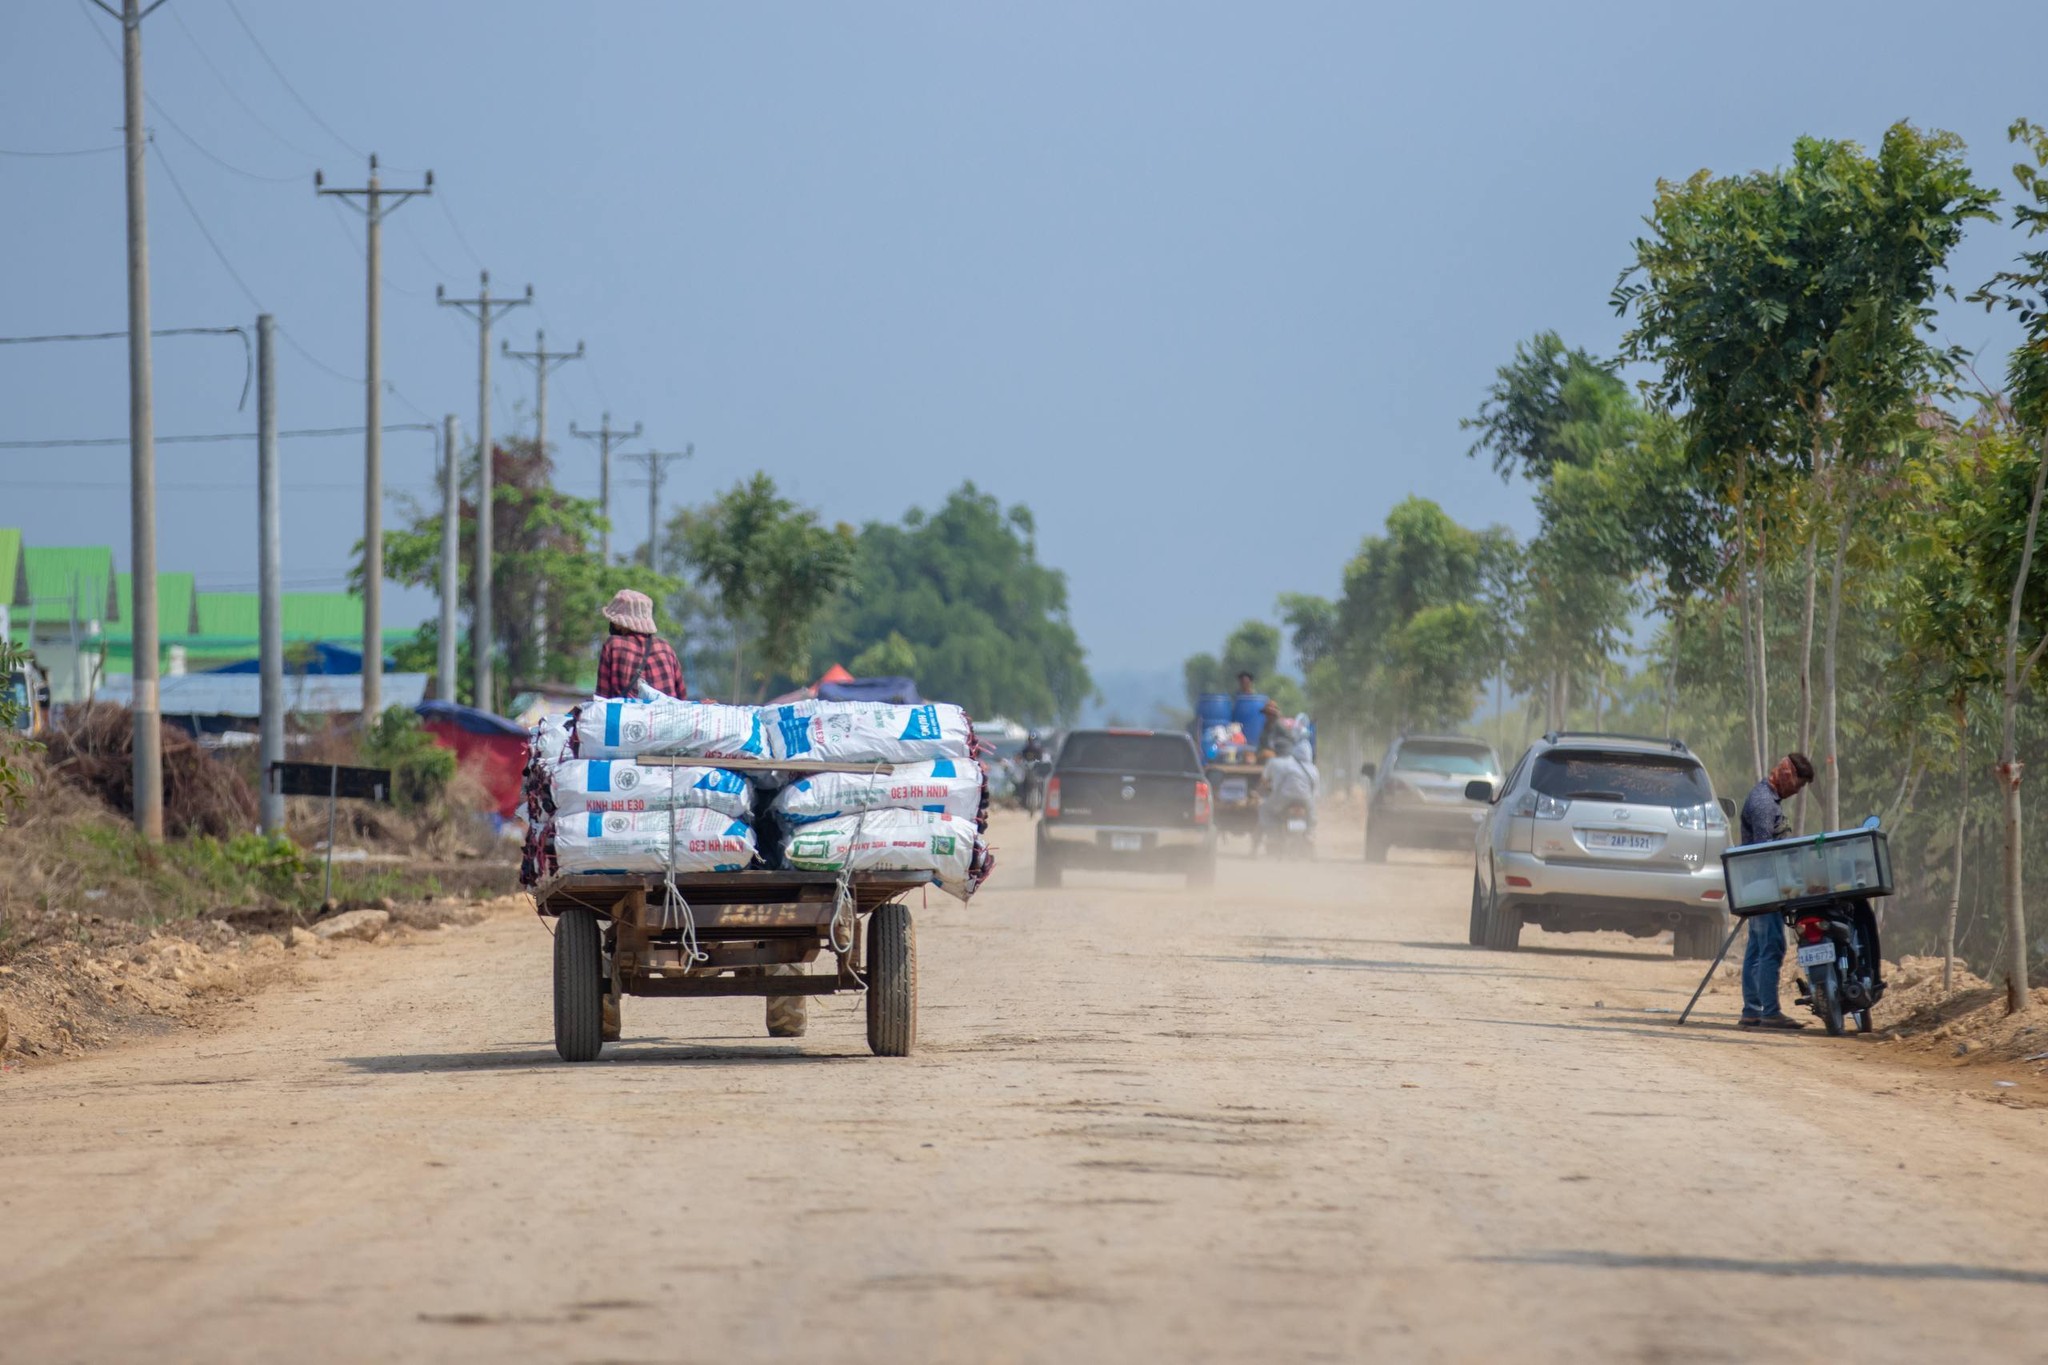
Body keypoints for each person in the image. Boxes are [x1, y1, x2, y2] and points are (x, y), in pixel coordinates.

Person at [1738, 752, 1817, 1030]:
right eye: (1798, 784)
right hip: (1763, 886)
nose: (1797, 791)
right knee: (1771, 946)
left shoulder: (1769, 800)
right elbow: (1764, 853)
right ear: (1786, 773)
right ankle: (1769, 1012)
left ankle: (1752, 1010)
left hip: (1759, 886)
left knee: (1757, 948)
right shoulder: (1763, 803)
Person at [595, 589, 685, 699]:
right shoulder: (665, 647)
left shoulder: (613, 645)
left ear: (621, 623)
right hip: (666, 710)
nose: (612, 623)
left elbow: (602, 698)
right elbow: (681, 697)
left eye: (613, 620)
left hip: (627, 710)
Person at [1258, 735, 1319, 852]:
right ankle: (1309, 835)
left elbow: (1272, 782)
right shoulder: (1314, 769)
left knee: (1265, 809)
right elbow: (1315, 791)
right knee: (1312, 816)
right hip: (1306, 800)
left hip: (1285, 798)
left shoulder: (1287, 765)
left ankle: (1273, 836)